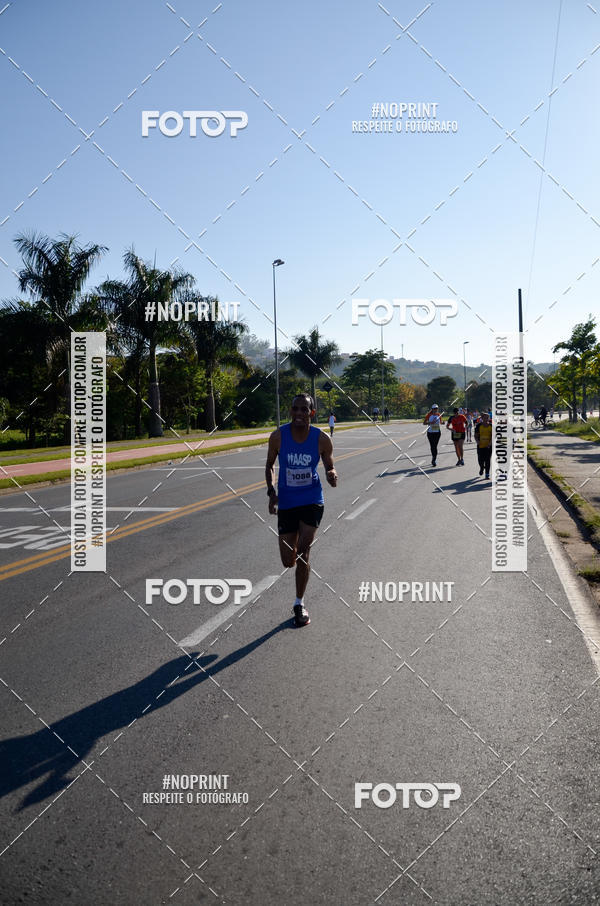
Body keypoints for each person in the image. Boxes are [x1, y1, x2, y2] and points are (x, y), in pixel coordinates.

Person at [265, 393, 338, 627]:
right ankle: (296, 555)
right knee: (289, 561)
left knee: (303, 552)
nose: (298, 413)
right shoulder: (278, 437)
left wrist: (331, 474)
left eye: (303, 410)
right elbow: (269, 466)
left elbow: (329, 465)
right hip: (287, 502)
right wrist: (271, 491)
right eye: (295, 409)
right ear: (290, 411)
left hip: (311, 500)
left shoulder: (321, 439)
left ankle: (299, 603)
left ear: (311, 413)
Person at [474, 410, 492, 479]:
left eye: (487, 418)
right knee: (480, 460)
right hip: (480, 446)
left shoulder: (491, 426)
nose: (486, 419)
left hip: (488, 446)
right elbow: (475, 435)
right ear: (482, 418)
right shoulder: (478, 426)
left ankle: (487, 474)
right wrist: (477, 441)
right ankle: (482, 468)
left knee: (488, 460)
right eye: (485, 418)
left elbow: (493, 436)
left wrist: (490, 444)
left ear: (489, 419)